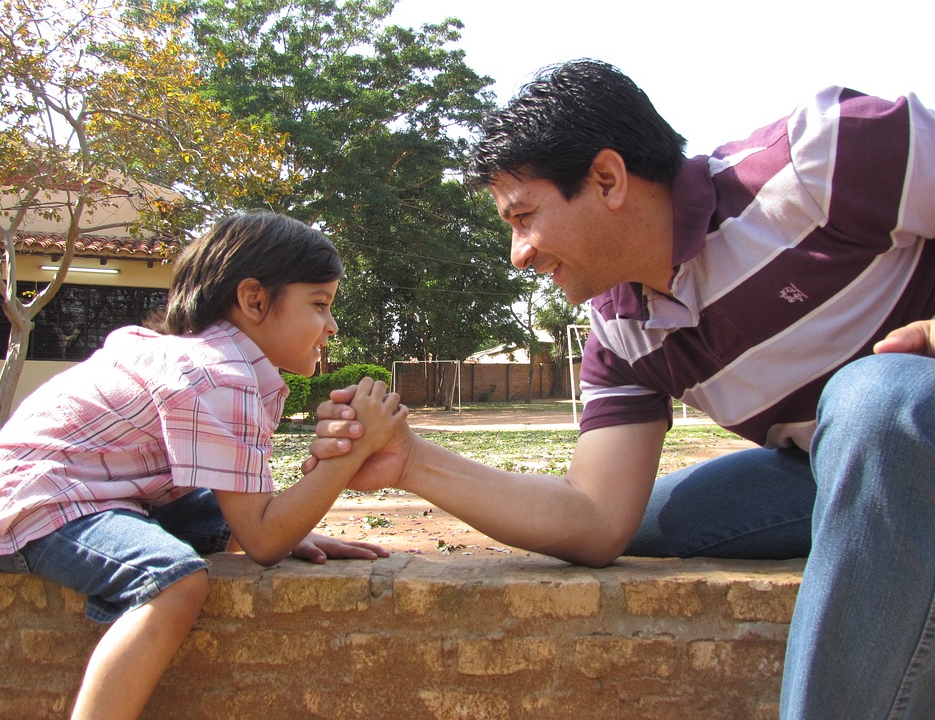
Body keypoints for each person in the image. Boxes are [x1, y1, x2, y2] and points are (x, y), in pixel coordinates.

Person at [306, 60, 935, 718]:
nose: (518, 253)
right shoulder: (620, 332)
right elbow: (596, 519)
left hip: (903, 422)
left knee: (876, 395)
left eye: (524, 218)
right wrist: (412, 460)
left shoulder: (818, 160)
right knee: (649, 519)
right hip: (836, 466)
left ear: (607, 179)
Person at [0, 212, 407, 720]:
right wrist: (354, 450)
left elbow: (254, 520)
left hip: (93, 491)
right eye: (319, 305)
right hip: (37, 500)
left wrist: (285, 527)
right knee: (175, 582)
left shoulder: (211, 361)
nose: (331, 325)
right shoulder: (224, 375)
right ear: (253, 300)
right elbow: (264, 541)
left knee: (215, 513)